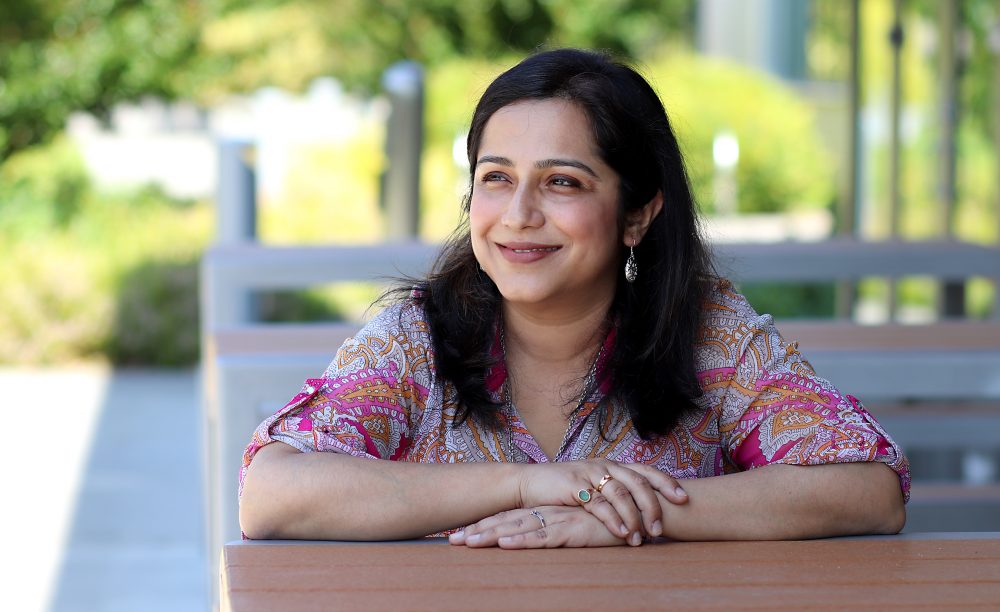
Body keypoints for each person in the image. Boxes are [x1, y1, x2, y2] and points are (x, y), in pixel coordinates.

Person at [239, 48, 909, 548]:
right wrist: (524, 484)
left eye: (562, 183)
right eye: (496, 178)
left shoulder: (710, 334)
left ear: (637, 214)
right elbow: (271, 492)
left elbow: (868, 485)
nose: (519, 214)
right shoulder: (416, 339)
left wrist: (614, 515)